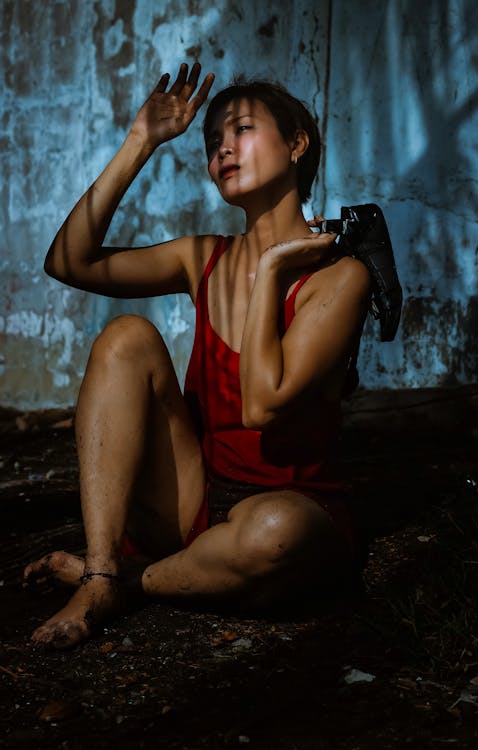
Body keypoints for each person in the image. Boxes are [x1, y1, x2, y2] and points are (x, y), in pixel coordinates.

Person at [24, 62, 372, 649]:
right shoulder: (200, 257)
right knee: (125, 336)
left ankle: (127, 583)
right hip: (195, 497)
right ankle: (103, 570)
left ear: (296, 144)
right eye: (213, 145)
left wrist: (269, 271)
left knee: (275, 533)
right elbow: (69, 262)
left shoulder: (340, 279)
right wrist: (142, 141)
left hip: (289, 512)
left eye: (241, 131)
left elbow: (262, 407)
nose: (223, 151)